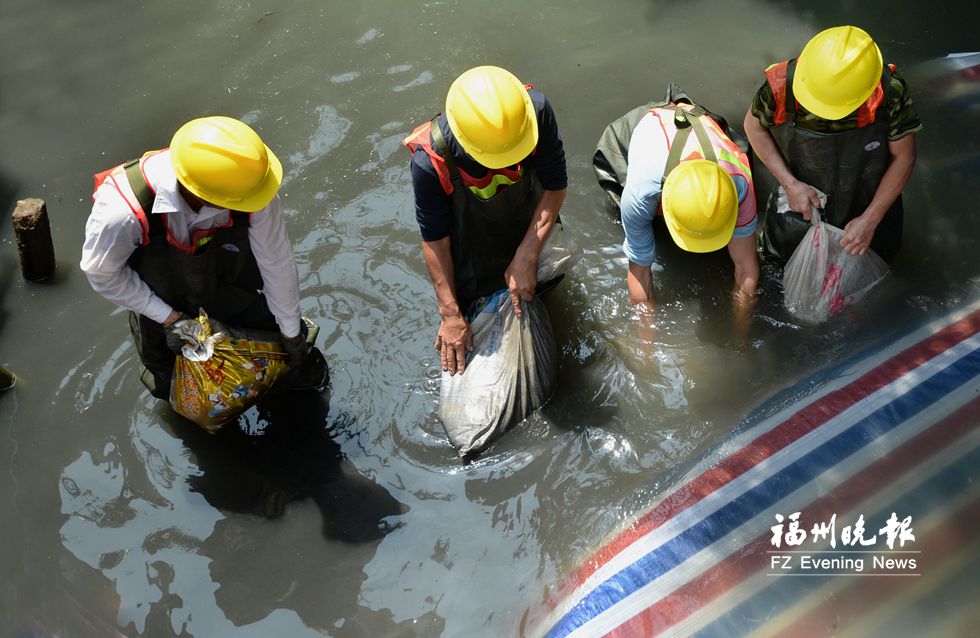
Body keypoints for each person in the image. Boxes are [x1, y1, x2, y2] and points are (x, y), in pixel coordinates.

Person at [81, 116, 327, 400]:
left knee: (298, 372)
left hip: (231, 289)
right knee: (180, 390)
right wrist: (171, 320)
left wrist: (291, 335)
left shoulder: (250, 189)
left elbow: (276, 262)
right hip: (160, 305)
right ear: (200, 194)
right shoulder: (122, 212)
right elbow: (102, 274)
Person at [403, 66, 568, 375]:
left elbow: (554, 185)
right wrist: (450, 315)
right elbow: (436, 241)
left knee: (544, 297)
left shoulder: (534, 113)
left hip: (528, 220)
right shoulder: (430, 162)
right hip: (469, 244)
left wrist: (527, 255)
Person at [743, 25, 922, 263]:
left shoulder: (889, 91)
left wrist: (870, 220)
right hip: (802, 206)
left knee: (875, 276)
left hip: (869, 204)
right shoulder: (783, 83)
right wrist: (790, 184)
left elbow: (904, 157)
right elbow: (753, 127)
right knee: (779, 267)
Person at [595, 86, 759, 316]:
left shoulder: (740, 181)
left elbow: (746, 269)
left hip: (703, 125)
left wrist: (741, 339)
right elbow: (640, 272)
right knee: (626, 204)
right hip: (645, 128)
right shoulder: (642, 191)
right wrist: (645, 346)